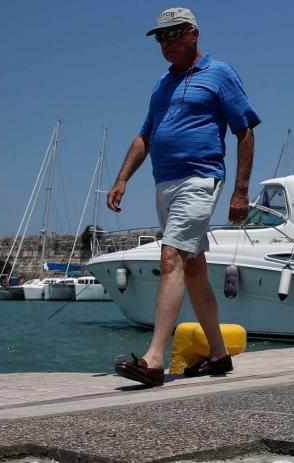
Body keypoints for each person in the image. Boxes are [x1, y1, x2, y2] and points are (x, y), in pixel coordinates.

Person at [108, 7, 259, 387]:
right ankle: (219, 354)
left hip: (201, 178)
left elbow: (245, 131)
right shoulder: (162, 84)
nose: (166, 42)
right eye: (160, 37)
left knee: (171, 255)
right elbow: (145, 135)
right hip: (165, 183)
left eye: (174, 34)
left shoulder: (219, 74)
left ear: (193, 33)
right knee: (193, 269)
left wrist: (241, 191)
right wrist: (122, 179)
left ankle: (154, 360)